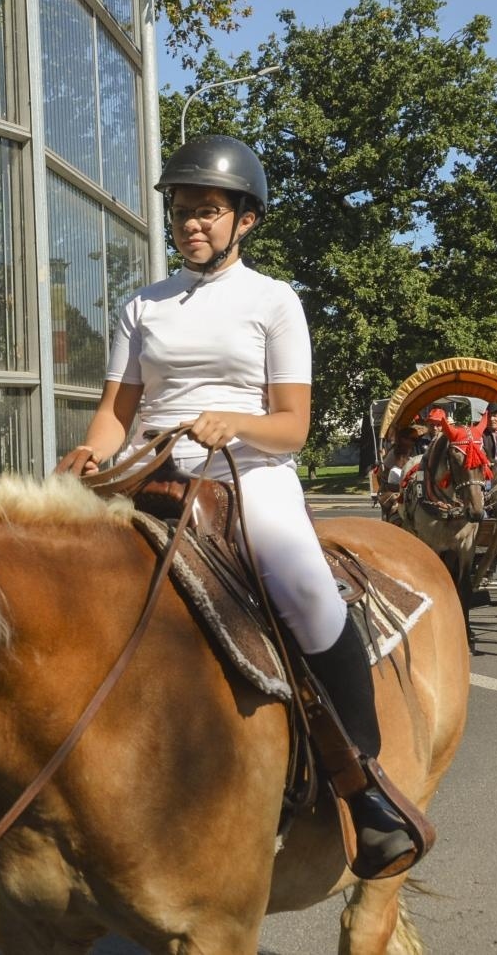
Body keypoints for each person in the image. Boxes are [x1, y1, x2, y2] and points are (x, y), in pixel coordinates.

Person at [56, 135, 425, 878]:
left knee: (303, 587)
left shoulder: (274, 301)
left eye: (208, 212)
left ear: (245, 220)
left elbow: (292, 423)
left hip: (250, 473)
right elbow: (114, 413)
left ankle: (364, 785)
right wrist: (91, 455)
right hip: (155, 470)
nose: (192, 223)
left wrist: (238, 422)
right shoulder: (141, 306)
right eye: (182, 212)